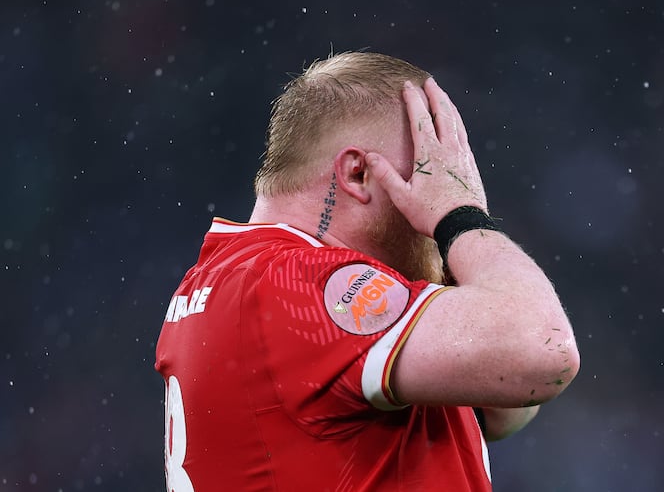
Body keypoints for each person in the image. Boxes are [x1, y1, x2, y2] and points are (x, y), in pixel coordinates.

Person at [155, 51, 580, 491]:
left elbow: (502, 401)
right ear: (357, 174)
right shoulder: (295, 281)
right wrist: (460, 215)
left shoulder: (229, 279)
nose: (435, 196)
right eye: (427, 175)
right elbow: (543, 355)